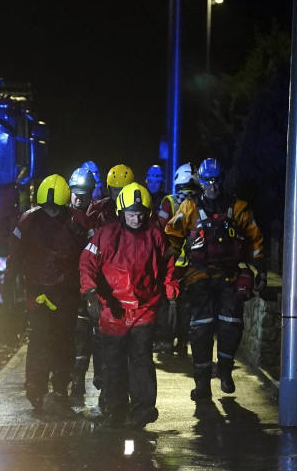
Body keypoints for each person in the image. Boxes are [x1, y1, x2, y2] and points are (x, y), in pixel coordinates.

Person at [164, 158, 266, 400]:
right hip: (198, 275)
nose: (212, 186)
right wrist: (166, 270)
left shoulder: (238, 207)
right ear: (200, 182)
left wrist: (260, 268)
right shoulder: (188, 207)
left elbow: (255, 238)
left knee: (231, 324)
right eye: (207, 181)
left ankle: (225, 371)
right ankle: (202, 384)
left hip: (230, 275)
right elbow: (172, 237)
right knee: (201, 329)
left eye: (216, 181)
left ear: (222, 180)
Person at [80, 182, 178, 428]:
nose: (136, 218)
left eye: (141, 214)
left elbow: (169, 266)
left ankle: (143, 409)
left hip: (144, 309)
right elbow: (87, 262)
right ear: (121, 212)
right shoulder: (106, 235)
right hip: (113, 310)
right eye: (132, 214)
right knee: (112, 361)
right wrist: (90, 292)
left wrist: (172, 296)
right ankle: (115, 410)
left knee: (141, 358)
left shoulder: (156, 236)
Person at [6, 174, 85, 411]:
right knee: (46, 341)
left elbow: (89, 256)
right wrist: (9, 281)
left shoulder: (31, 221)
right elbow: (15, 255)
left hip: (60, 294)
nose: (51, 212)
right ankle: (39, 388)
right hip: (49, 294)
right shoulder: (70, 220)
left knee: (58, 341)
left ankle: (53, 386)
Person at [152, 162, 201, 355]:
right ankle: (182, 342)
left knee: (165, 303)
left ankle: (166, 340)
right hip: (192, 263)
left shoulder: (169, 202)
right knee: (186, 305)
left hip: (171, 261)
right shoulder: (200, 203)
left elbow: (159, 229)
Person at [66, 166, 99, 402]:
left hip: (91, 287)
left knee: (92, 337)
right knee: (76, 338)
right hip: (68, 286)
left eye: (84, 193)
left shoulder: (96, 218)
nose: (79, 197)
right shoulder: (62, 216)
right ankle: (74, 382)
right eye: (75, 192)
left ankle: (94, 381)